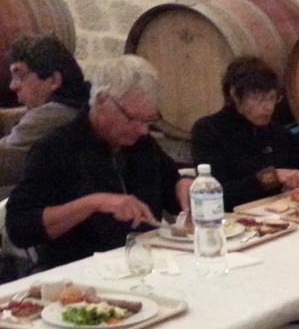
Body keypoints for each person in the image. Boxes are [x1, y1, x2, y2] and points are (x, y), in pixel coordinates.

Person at [6, 55, 190, 269]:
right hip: (79, 276)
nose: (143, 130)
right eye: (133, 118)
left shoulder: (142, 144)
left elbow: (172, 188)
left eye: (149, 120)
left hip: (143, 265)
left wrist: (183, 185)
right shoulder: (57, 148)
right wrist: (93, 203)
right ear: (102, 100)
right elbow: (19, 227)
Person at [190, 55, 299, 209]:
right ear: (235, 95)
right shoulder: (208, 130)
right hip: (232, 222)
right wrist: (272, 177)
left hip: (277, 217)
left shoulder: (274, 131)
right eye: (259, 99)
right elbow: (217, 195)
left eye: (272, 98)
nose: (268, 107)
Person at [1, 33, 89, 192]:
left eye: (20, 75)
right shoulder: (80, 104)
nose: (13, 86)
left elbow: (4, 154)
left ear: (54, 80)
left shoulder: (49, 116)